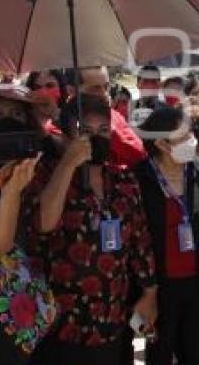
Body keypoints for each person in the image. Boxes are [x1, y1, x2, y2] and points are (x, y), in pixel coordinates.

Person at [26, 94, 157, 364]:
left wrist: (149, 293)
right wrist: (68, 163)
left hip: (112, 320)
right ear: (67, 133)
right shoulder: (46, 173)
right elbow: (44, 224)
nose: (97, 137)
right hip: (61, 324)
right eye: (86, 131)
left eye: (104, 131)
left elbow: (140, 241)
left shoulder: (123, 180)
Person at [132, 107, 199, 365]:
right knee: (160, 354)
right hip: (158, 291)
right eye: (183, 137)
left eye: (192, 134)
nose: (192, 141)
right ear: (161, 143)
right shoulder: (137, 179)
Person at [0, 88, 52, 365]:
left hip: (19, 308)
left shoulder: (36, 170)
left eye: (16, 114)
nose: (7, 121)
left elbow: (46, 223)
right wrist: (11, 191)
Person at [66, 67, 146, 168]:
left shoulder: (114, 117)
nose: (104, 94)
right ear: (71, 90)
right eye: (95, 89)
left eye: (106, 87)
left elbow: (139, 154)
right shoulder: (59, 124)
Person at [26, 70, 68, 135]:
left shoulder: (69, 117)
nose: (44, 92)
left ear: (61, 88)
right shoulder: (25, 118)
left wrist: (55, 114)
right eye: (37, 87)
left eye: (50, 86)